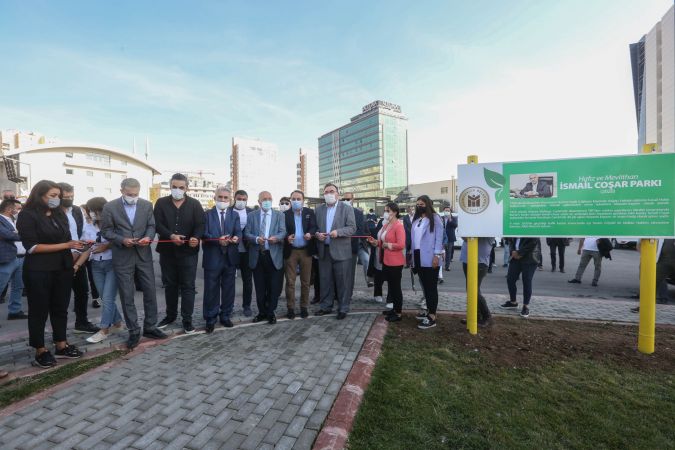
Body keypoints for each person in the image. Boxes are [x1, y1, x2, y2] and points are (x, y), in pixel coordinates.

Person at [17, 180, 84, 368]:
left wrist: (79, 244)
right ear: (40, 195)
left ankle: (61, 345)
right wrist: (67, 245)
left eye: (58, 196)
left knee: (60, 307)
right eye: (52, 196)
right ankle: (40, 349)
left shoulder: (59, 214)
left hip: (62, 268)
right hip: (39, 270)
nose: (56, 199)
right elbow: (32, 247)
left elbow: (67, 238)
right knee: (39, 310)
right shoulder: (27, 215)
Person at [101, 178, 167, 350]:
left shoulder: (146, 205)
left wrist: (148, 237)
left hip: (143, 254)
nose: (133, 197)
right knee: (127, 294)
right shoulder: (110, 207)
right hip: (122, 255)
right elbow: (106, 231)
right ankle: (133, 330)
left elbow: (151, 226)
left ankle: (150, 327)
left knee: (150, 291)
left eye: (136, 194)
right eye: (129, 194)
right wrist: (122, 240)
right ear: (121, 190)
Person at [154, 173, 205, 334]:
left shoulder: (195, 204)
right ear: (170, 187)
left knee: (188, 286)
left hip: (188, 252)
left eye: (181, 187)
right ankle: (170, 316)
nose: (177, 190)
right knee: (170, 285)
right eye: (174, 187)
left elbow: (200, 225)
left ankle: (187, 319)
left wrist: (196, 237)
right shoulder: (161, 203)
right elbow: (157, 224)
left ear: (186, 188)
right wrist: (170, 236)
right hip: (167, 252)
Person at [76, 198, 125, 344]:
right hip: (96, 265)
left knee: (108, 298)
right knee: (104, 297)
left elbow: (121, 241)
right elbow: (86, 248)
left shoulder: (115, 225)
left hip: (113, 264)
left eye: (94, 210)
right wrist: (77, 265)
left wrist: (107, 246)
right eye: (90, 210)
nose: (92, 213)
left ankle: (104, 330)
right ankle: (117, 323)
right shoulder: (88, 227)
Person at [58, 183, 99, 334]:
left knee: (82, 292)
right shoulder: (52, 212)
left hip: (78, 257)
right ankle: (60, 330)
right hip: (60, 258)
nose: (69, 199)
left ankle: (82, 322)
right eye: (65, 197)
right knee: (61, 296)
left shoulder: (76, 210)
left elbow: (81, 232)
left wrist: (81, 250)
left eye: (71, 196)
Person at [202, 187, 241, 332]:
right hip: (213, 256)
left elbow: (238, 232)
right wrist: (217, 240)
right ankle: (210, 318)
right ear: (215, 198)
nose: (223, 200)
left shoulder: (234, 215)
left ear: (230, 199)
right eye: (220, 197)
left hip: (230, 257)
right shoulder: (207, 215)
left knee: (229, 289)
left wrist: (236, 238)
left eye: (226, 198)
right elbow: (204, 234)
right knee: (211, 289)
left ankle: (225, 315)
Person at [314, 183, 356, 319]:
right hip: (324, 251)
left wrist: (338, 232)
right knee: (325, 281)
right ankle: (326, 306)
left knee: (343, 281)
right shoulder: (319, 209)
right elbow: (315, 227)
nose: (329, 194)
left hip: (341, 251)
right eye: (326, 192)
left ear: (338, 193)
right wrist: (317, 234)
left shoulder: (347, 208)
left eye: (331, 191)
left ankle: (343, 308)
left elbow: (352, 228)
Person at [245, 191, 286, 324]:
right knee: (260, 286)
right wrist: (257, 239)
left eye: (269, 198)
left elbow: (283, 231)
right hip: (258, 256)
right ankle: (262, 312)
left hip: (273, 255)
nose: (267, 201)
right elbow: (247, 233)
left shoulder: (279, 215)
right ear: (259, 202)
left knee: (274, 286)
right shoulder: (251, 215)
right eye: (264, 199)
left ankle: (271, 312)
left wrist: (276, 238)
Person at [411, 195, 444, 330]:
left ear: (428, 205)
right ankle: (427, 309)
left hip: (430, 256)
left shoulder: (435, 218)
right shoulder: (417, 219)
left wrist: (437, 255)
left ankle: (432, 315)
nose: (419, 206)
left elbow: (439, 238)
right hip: (418, 256)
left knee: (431, 286)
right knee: (424, 285)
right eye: (418, 204)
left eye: (422, 204)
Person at [368, 202, 406, 322]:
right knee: (391, 286)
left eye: (387, 211)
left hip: (395, 262)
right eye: (385, 210)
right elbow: (381, 241)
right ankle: (394, 309)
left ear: (395, 212)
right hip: (385, 260)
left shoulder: (398, 226)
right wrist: (375, 242)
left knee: (396, 287)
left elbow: (401, 245)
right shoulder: (386, 225)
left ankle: (398, 313)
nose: (385, 213)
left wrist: (387, 245)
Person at [283, 190, 317, 320]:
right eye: (294, 199)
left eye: (298, 199)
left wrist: (310, 233)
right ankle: (290, 308)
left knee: (305, 281)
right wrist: (287, 237)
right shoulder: (285, 214)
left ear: (303, 200)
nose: (296, 201)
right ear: (290, 200)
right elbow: (282, 230)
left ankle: (304, 307)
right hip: (291, 251)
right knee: (290, 282)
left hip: (305, 251)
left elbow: (314, 227)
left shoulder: (309, 213)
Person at [0, 199, 27, 320]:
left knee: (18, 286)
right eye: (18, 208)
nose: (19, 210)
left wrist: (16, 232)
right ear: (9, 209)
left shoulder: (15, 220)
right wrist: (25, 235)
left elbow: (13, 234)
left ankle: (14, 311)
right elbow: (7, 234)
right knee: (1, 286)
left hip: (21, 257)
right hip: (7, 259)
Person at [501, 237, 541, 317]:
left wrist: (520, 253)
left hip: (530, 258)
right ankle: (513, 302)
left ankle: (525, 306)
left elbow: (533, 241)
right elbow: (511, 240)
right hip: (515, 257)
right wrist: (513, 252)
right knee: (510, 279)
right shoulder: (514, 226)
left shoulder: (531, 226)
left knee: (526, 281)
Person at [631, 239, 675, 312]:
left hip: (667, 259)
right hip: (663, 260)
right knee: (651, 283)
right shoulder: (660, 230)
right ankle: (645, 307)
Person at [459, 237, 494, 327]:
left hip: (479, 262)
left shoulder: (486, 225)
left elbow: (471, 237)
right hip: (467, 259)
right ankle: (475, 317)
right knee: (471, 290)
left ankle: (487, 316)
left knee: (474, 291)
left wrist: (464, 234)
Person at [342, 192, 372, 293]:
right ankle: (349, 293)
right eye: (344, 199)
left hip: (359, 244)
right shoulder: (340, 212)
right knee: (350, 271)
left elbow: (360, 229)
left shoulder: (358, 213)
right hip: (346, 246)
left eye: (348, 199)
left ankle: (369, 279)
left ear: (352, 199)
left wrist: (349, 234)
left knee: (367, 260)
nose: (346, 201)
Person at [233, 190, 254, 316]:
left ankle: (247, 305)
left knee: (247, 280)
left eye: (244, 199)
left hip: (247, 251)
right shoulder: (228, 211)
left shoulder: (251, 212)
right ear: (234, 198)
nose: (241, 201)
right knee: (229, 280)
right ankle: (228, 306)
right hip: (230, 250)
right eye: (239, 198)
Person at [442, 206, 457, 270]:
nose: (447, 212)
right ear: (444, 211)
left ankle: (447, 266)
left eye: (448, 211)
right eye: (446, 210)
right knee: (440, 252)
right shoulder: (441, 218)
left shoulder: (453, 218)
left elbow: (455, 226)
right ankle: (439, 265)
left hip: (450, 238)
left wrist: (450, 219)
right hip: (442, 238)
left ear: (450, 212)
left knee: (448, 252)